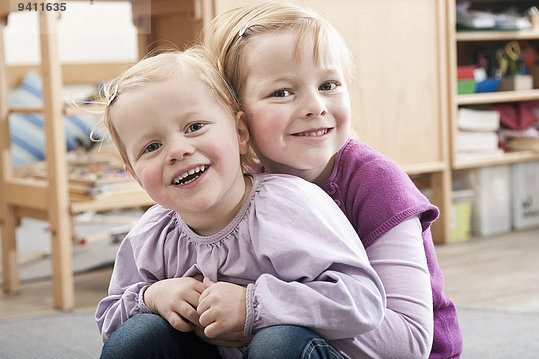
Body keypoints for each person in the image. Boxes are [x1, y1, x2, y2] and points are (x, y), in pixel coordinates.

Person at [201, 1, 463, 358]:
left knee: (279, 340)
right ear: (239, 121)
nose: (316, 106)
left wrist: (261, 307)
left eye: (328, 84)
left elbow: (410, 341)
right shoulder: (243, 188)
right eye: (282, 92)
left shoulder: (376, 182)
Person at [94, 47, 387, 359]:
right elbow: (110, 320)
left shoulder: (288, 205)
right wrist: (152, 296)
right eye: (152, 146)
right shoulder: (151, 234)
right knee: (139, 338)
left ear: (240, 132)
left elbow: (363, 301)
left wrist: (254, 305)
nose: (178, 151)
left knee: (277, 344)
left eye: (194, 127)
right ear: (136, 176)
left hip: (296, 352)